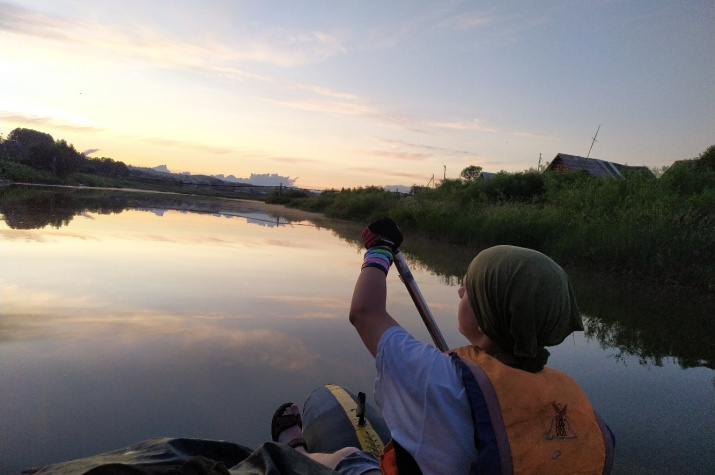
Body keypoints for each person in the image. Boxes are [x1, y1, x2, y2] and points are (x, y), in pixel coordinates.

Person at [348, 217, 615, 474]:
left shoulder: (438, 379)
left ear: (485, 319)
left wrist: (380, 249)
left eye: (467, 289)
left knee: (345, 456)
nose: (459, 292)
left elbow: (365, 312)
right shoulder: (574, 401)